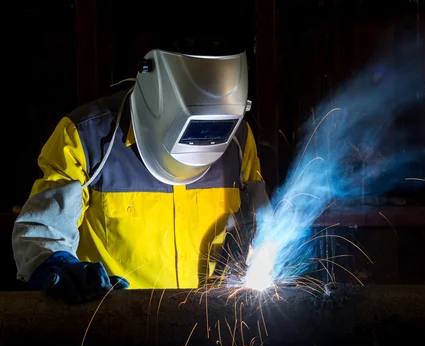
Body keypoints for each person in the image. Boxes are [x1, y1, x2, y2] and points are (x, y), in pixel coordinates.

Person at [11, 34, 271, 303]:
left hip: (206, 330)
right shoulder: (84, 137)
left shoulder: (238, 139)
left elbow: (258, 223)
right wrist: (60, 267)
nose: (206, 138)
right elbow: (41, 232)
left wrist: (261, 253)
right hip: (115, 328)